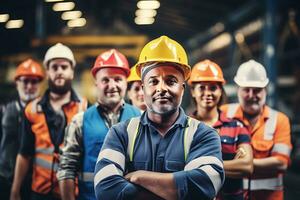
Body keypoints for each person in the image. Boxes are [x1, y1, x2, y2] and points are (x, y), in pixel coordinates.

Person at [94, 36, 225, 200]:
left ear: (182, 89)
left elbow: (204, 185)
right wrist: (175, 191)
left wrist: (139, 177)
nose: (161, 88)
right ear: (143, 88)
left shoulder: (204, 135)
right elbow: (105, 188)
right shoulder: (120, 134)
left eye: (171, 81)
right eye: (153, 81)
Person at [57, 49, 141, 200]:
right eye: (105, 80)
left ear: (125, 83)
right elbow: (66, 169)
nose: (112, 85)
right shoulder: (80, 121)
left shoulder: (141, 119)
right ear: (96, 83)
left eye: (117, 79)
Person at [10, 43, 87, 200]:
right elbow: (24, 153)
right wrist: (15, 189)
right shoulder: (32, 110)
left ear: (72, 72)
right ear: (48, 72)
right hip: (39, 192)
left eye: (64, 67)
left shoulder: (85, 109)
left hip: (71, 192)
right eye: (55, 67)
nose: (59, 71)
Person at [221, 60, 292, 200]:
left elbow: (281, 163)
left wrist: (242, 164)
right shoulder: (223, 114)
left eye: (257, 90)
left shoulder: (280, 120)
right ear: (238, 90)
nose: (252, 95)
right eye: (246, 89)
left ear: (265, 90)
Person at [188, 59, 253, 200]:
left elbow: (247, 166)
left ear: (220, 91)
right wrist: (231, 164)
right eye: (202, 87)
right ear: (193, 91)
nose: (208, 93)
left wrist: (198, 166)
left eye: (213, 88)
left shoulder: (237, 127)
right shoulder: (183, 127)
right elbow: (179, 166)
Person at [0, 59, 44, 200]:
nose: (29, 86)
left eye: (34, 82)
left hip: (34, 183)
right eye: (25, 81)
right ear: (17, 83)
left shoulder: (45, 113)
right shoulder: (4, 110)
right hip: (5, 178)